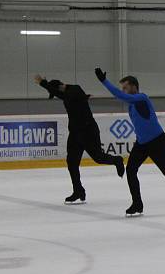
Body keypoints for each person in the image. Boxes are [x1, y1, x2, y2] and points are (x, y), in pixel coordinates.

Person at [94, 68, 165, 217]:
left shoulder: (141, 98)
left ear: (133, 86)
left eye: (125, 87)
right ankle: (137, 204)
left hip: (156, 141)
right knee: (130, 171)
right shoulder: (131, 103)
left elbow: (119, 95)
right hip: (142, 144)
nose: (123, 90)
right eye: (122, 88)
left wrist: (104, 81)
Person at [34, 74, 124, 205]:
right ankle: (78, 190)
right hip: (75, 133)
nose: (58, 96)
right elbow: (62, 94)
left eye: (57, 92)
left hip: (88, 131)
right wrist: (45, 84)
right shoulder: (66, 93)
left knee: (98, 158)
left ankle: (117, 160)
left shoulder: (75, 89)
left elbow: (69, 95)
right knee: (71, 162)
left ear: (62, 86)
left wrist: (44, 83)